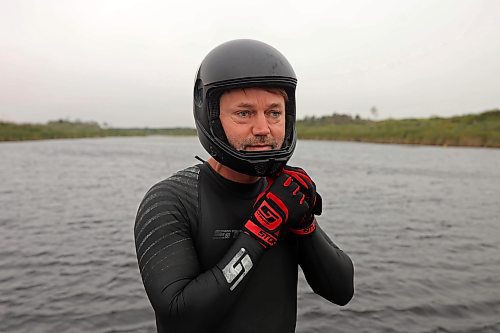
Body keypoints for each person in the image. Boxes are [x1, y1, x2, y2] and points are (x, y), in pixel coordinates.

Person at [134, 39, 354, 333]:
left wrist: (305, 224)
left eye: (274, 113)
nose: (263, 129)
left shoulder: (282, 194)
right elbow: (180, 317)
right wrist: (262, 229)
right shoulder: (170, 200)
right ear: (212, 118)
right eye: (244, 113)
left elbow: (341, 291)